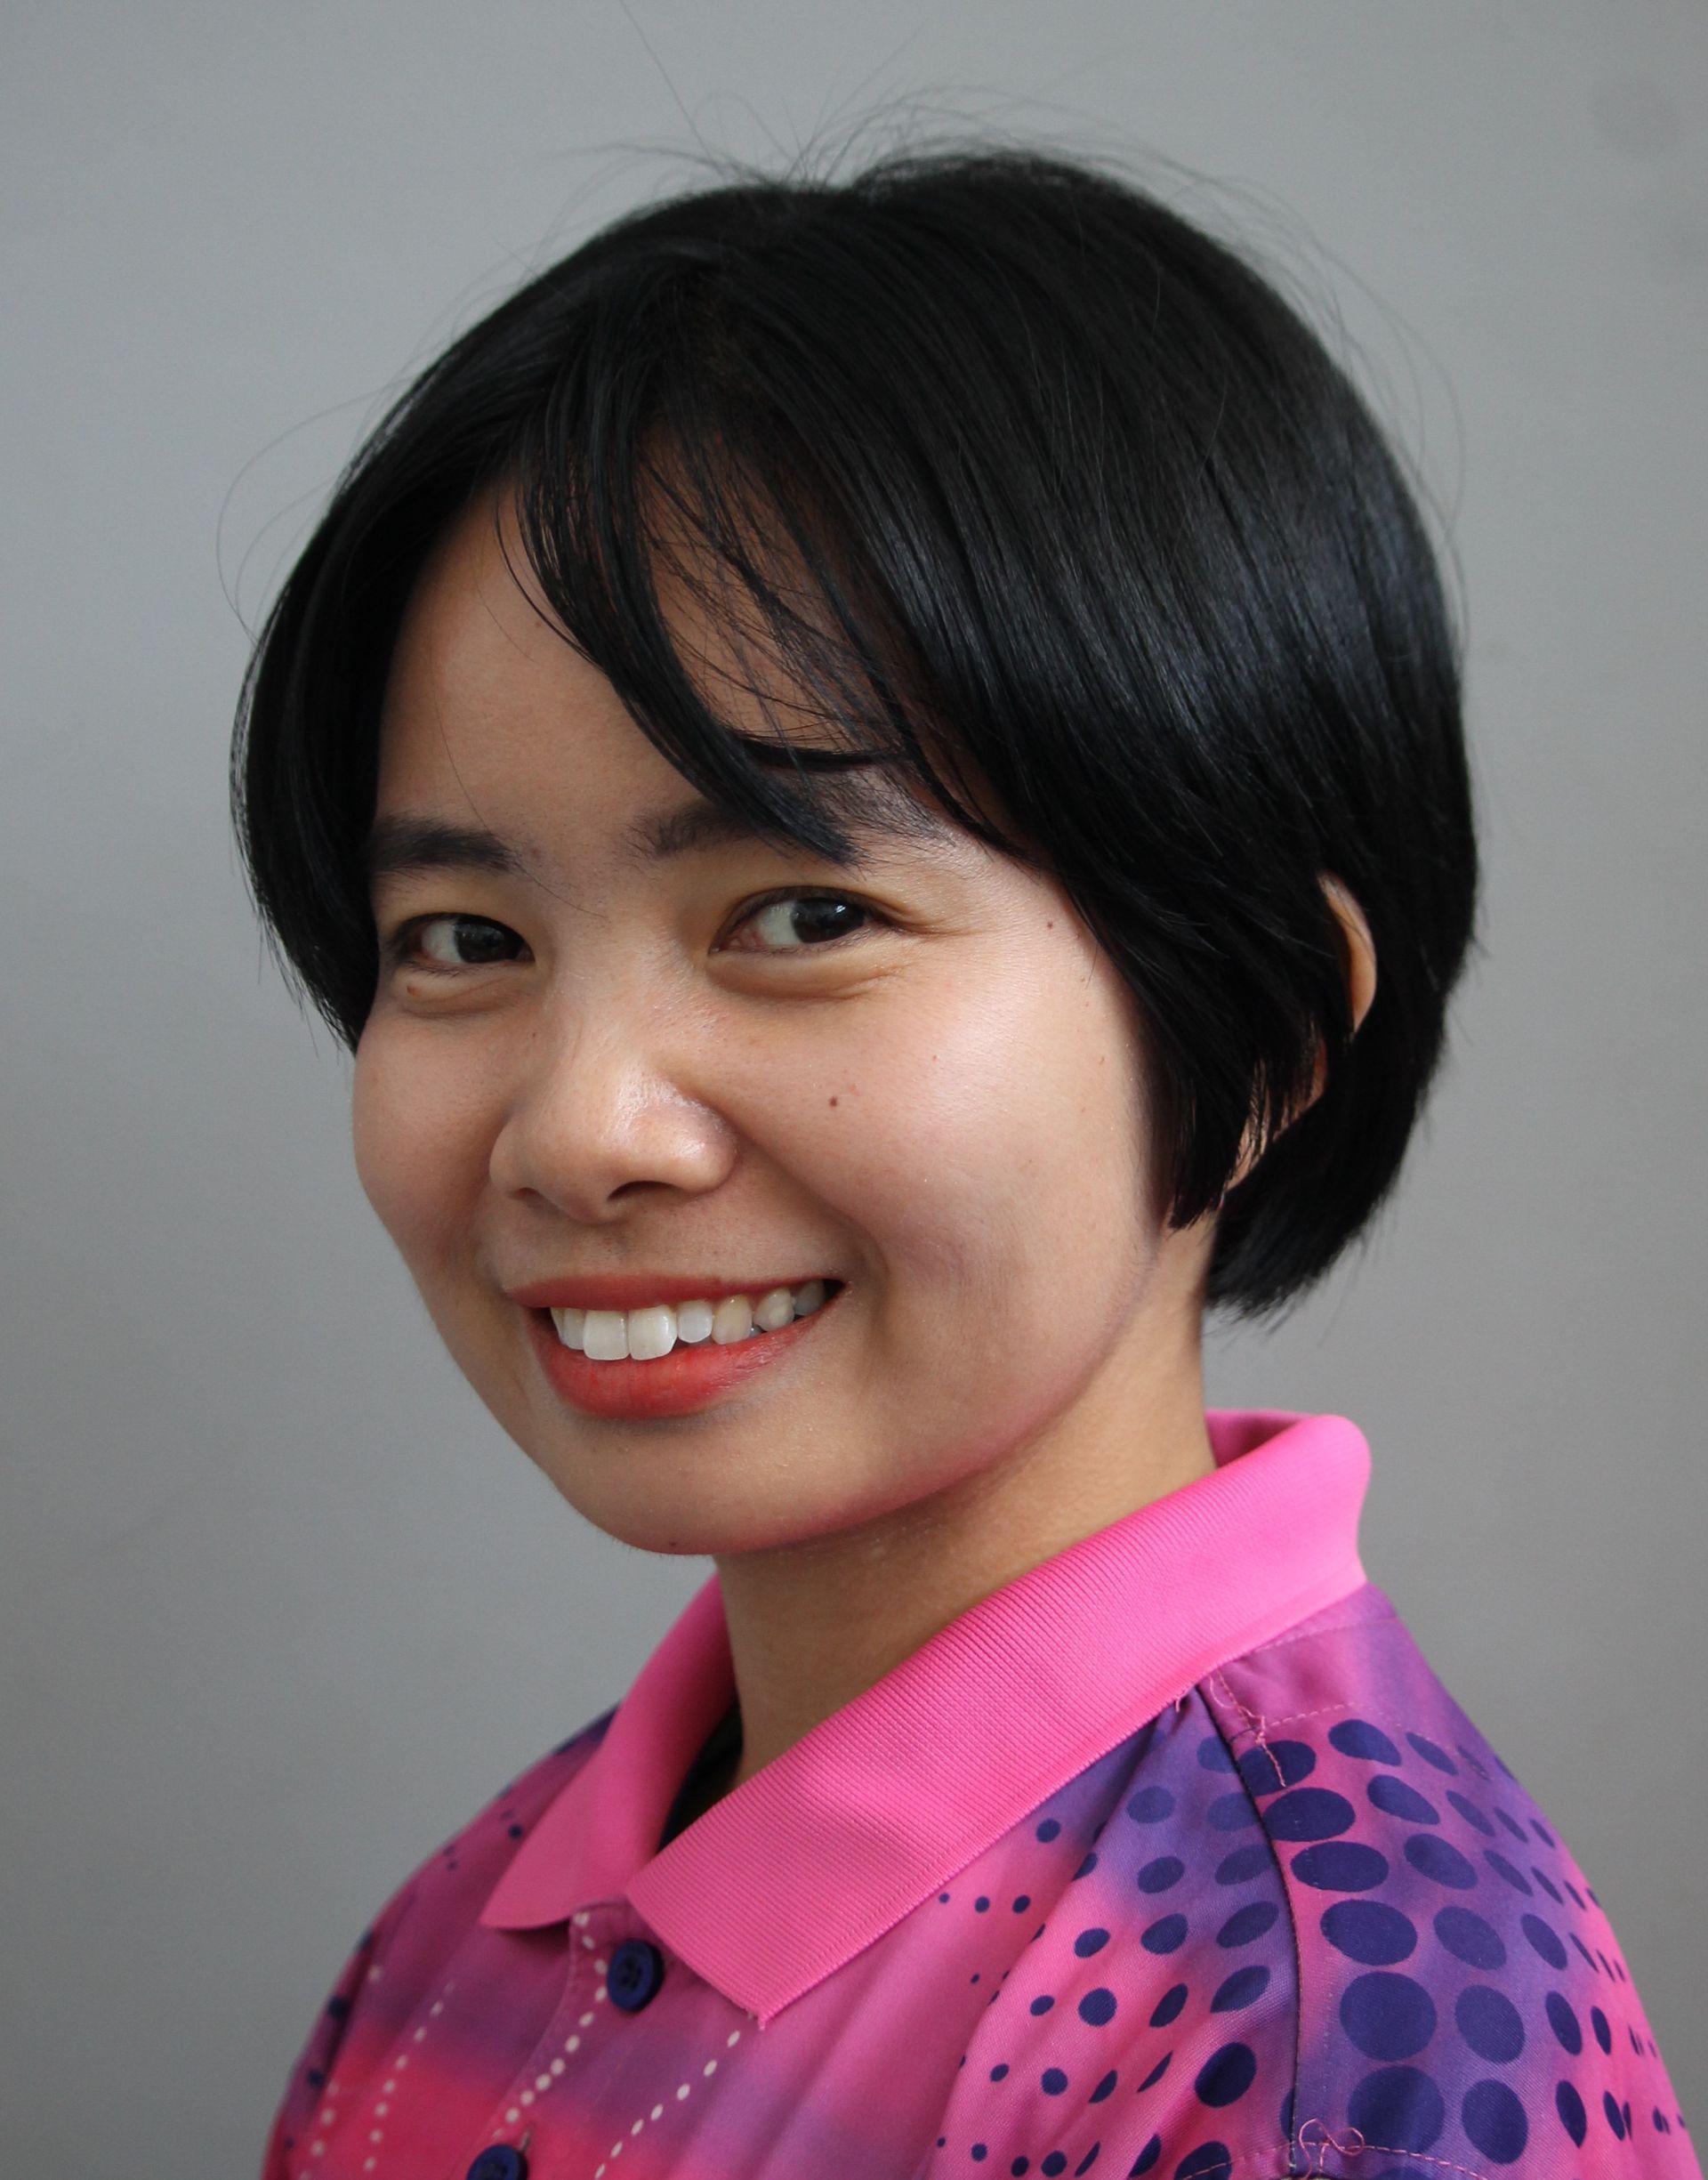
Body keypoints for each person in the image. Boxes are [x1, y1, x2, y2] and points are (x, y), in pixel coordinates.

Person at [232, 140, 1696, 2180]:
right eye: (465, 942)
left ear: (1259, 1021)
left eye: (803, 914)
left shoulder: (1331, 2049)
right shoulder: (465, 1937)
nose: (580, 1127)